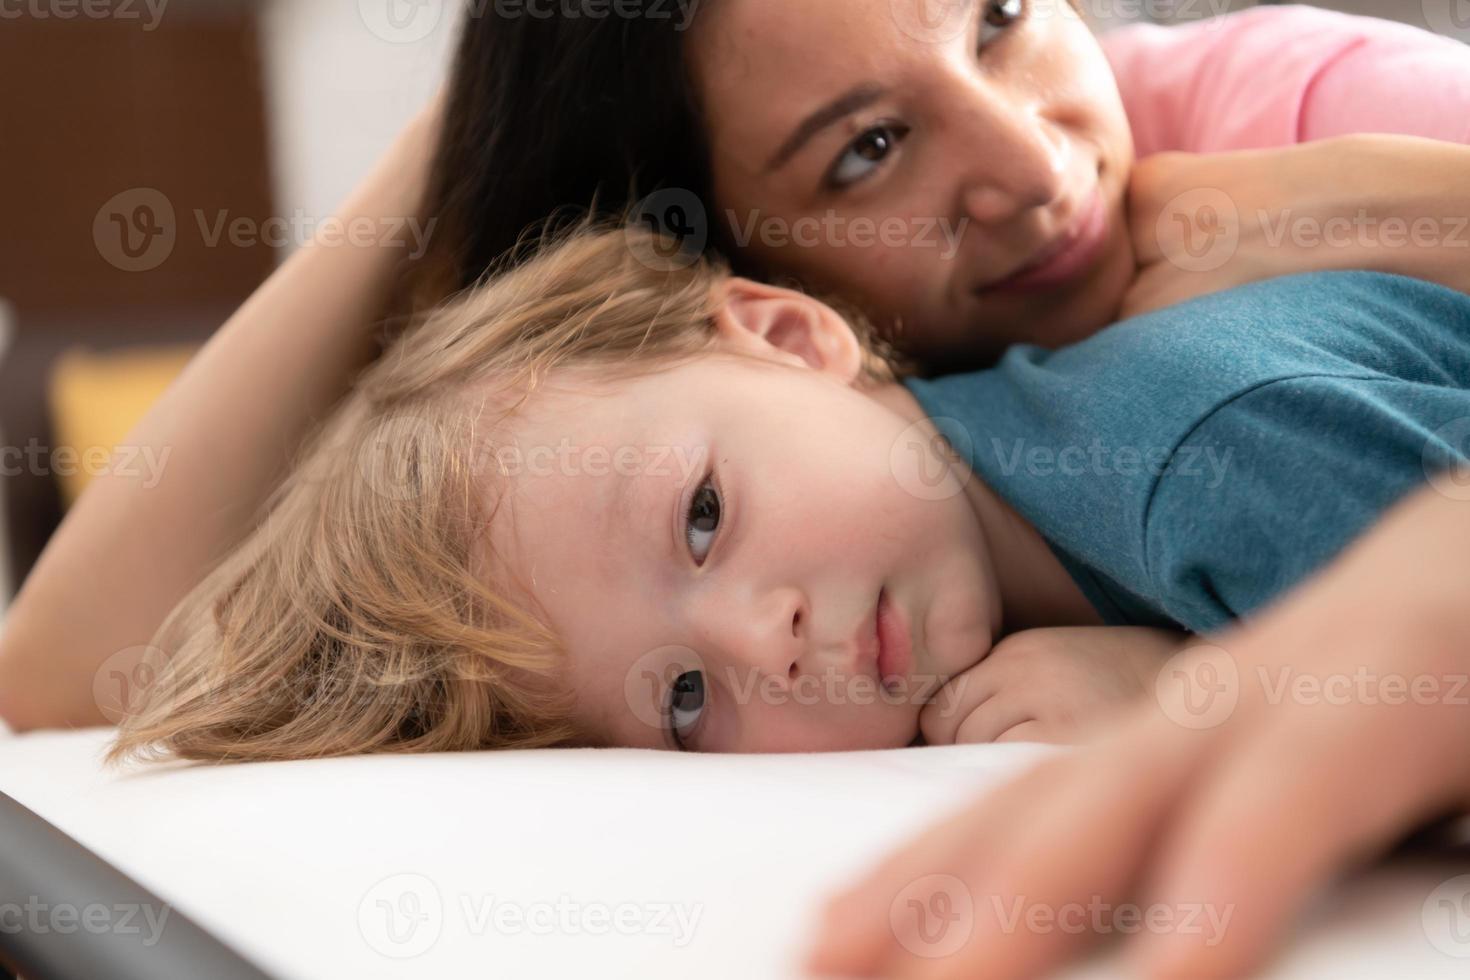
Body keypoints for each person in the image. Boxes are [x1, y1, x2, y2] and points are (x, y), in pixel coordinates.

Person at [101, 225, 1470, 766]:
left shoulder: (1197, 450)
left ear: (792, 338)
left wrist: (1196, 700)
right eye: (684, 702)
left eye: (701, 517)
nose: (760, 642)